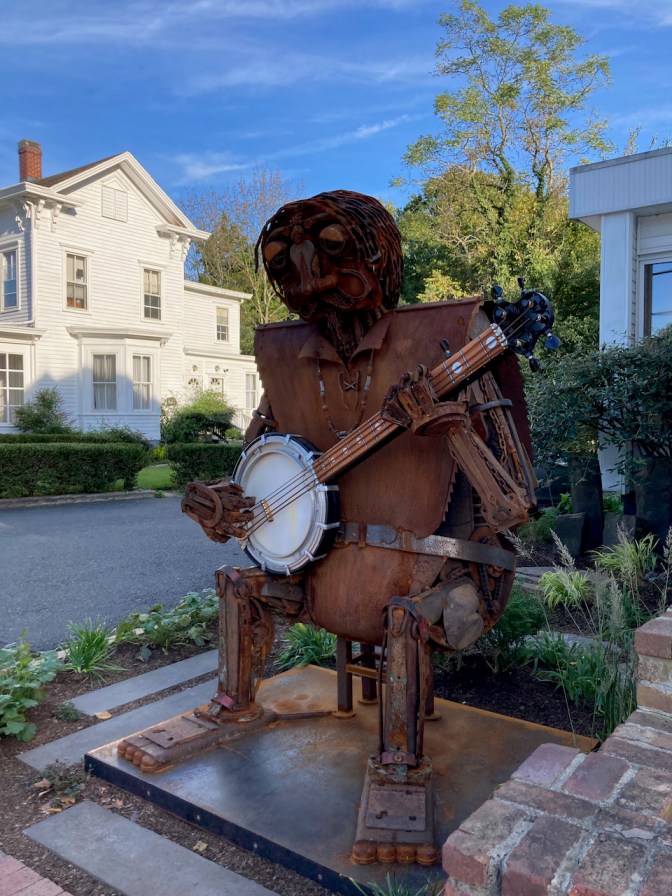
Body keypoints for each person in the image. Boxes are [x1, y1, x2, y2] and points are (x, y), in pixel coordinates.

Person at [119, 190, 538, 864]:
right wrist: (228, 502)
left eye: (333, 253)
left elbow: (513, 504)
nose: (309, 277)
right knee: (237, 581)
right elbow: (263, 466)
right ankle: (232, 705)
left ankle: (400, 768)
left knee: (404, 618)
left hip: (449, 583)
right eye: (289, 263)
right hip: (326, 572)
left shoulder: (450, 340)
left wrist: (450, 427)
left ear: (381, 255)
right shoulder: (286, 359)